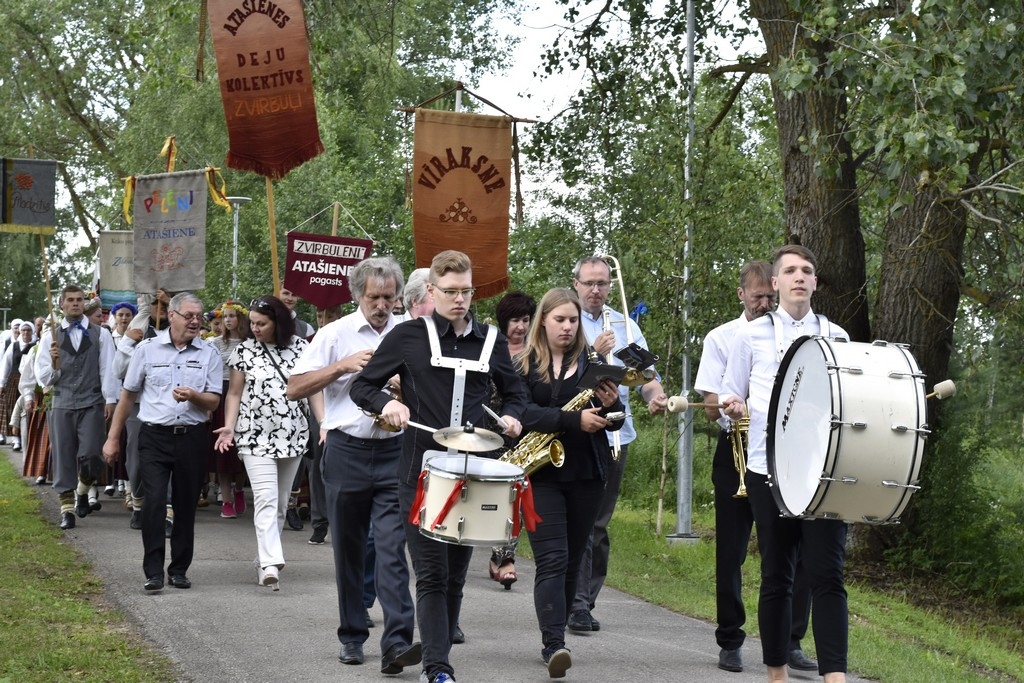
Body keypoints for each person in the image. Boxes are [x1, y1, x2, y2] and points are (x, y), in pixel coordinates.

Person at [350, 249, 528, 683]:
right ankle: (439, 668)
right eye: (450, 291)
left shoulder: (491, 340)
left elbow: (517, 393)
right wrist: (387, 404)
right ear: (431, 290)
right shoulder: (408, 336)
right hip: (422, 474)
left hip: (474, 475)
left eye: (467, 291)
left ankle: (435, 654)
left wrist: (513, 416)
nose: (460, 299)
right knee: (430, 573)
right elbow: (362, 385)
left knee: (454, 577)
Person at [720, 245, 850, 683]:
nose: (799, 277)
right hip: (766, 469)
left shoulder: (838, 336)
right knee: (777, 573)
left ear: (814, 283)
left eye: (807, 271)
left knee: (827, 574)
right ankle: (776, 673)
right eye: (789, 271)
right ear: (774, 284)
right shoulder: (750, 335)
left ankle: (835, 676)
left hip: (825, 472)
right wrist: (732, 406)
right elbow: (727, 397)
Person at [288, 256, 420, 673]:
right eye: (374, 297)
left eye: (388, 297)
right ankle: (351, 635)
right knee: (348, 548)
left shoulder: (413, 334)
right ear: (357, 295)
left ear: (399, 296)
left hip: (396, 452)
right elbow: (295, 388)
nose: (382, 305)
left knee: (390, 548)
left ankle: (397, 643)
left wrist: (406, 386)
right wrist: (341, 367)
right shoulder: (333, 334)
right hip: (347, 449)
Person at [694, 261, 817, 674]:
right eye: (758, 295)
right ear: (740, 294)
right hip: (736, 450)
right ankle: (730, 638)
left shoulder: (795, 333)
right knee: (731, 552)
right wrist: (731, 404)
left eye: (770, 295)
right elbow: (710, 408)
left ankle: (790, 640)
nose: (764, 303)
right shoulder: (722, 337)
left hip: (783, 455)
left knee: (791, 553)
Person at [517, 288, 624, 678]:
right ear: (543, 320)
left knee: (573, 560)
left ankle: (555, 632)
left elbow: (618, 419)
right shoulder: (524, 364)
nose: (567, 327)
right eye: (559, 319)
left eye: (573, 320)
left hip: (586, 473)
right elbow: (521, 411)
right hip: (541, 473)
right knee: (553, 558)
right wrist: (571, 421)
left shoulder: (594, 362)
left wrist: (612, 406)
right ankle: (553, 644)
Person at [568, 256, 668, 632]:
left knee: (598, 523)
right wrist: (592, 350)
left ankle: (584, 602)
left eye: (602, 284)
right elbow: (555, 373)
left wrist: (656, 396)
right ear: (575, 283)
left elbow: (645, 377)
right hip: (574, 429)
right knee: (575, 519)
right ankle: (571, 601)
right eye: (589, 283)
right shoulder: (565, 319)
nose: (596, 290)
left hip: (615, 432)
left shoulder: (626, 325)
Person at [102, 292, 222, 591]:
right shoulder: (147, 350)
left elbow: (213, 403)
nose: (196, 321)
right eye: (189, 315)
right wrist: (113, 438)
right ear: (172, 315)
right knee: (154, 503)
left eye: (199, 315)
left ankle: (179, 569)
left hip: (191, 438)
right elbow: (128, 395)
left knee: (184, 505)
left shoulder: (209, 353)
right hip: (154, 436)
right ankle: (153, 571)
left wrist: (195, 396)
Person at [214, 295, 318, 590]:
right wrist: (229, 428)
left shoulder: (301, 348)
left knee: (281, 503)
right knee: (266, 497)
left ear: (278, 323)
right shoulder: (244, 351)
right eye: (253, 324)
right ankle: (272, 560)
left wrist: (323, 425)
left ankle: (263, 561)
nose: (255, 329)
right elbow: (234, 393)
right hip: (254, 435)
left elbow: (313, 389)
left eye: (262, 324)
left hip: (293, 433)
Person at [35, 286, 119, 530]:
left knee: (94, 453)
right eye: (70, 300)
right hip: (62, 401)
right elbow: (45, 380)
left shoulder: (100, 334)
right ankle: (66, 509)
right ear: (61, 304)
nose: (75, 304)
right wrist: (53, 364)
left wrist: (111, 399)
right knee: (63, 455)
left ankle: (83, 489)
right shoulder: (50, 335)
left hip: (92, 400)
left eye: (79, 300)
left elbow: (108, 368)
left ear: (85, 303)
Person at [485, 289, 537, 589]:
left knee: (512, 498)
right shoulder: (490, 347)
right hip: (486, 430)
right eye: (515, 320)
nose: (520, 326)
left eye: (526, 320)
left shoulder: (536, 352)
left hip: (520, 433)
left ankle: (504, 559)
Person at [210, 301, 250, 519]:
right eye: (225, 316)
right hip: (223, 393)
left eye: (232, 316)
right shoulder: (215, 343)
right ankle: (226, 499)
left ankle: (239, 489)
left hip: (245, 395)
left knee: (242, 448)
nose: (227, 320)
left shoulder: (251, 343)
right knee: (224, 451)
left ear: (241, 319)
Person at [1, 320, 37, 451]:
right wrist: (2, 382)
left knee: (27, 409)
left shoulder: (36, 345)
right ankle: (15, 439)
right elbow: (6, 363)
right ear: (20, 331)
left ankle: (25, 437)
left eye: (28, 330)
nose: (26, 332)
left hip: (29, 380)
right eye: (23, 330)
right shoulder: (14, 345)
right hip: (14, 379)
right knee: (11, 408)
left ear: (32, 332)